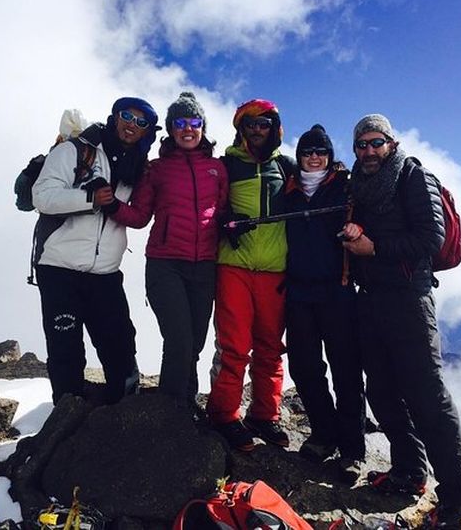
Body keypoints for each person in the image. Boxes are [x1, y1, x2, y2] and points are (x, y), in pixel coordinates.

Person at [342, 114, 461, 527]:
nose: (368, 151)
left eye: (375, 142)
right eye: (361, 144)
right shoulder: (359, 183)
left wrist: (373, 247)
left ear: (391, 142)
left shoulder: (413, 177)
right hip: (371, 300)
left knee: (426, 394)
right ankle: (409, 471)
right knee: (382, 393)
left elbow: (430, 239)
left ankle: (459, 493)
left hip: (409, 299)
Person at [102, 92, 228, 414]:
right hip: (166, 265)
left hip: (205, 267)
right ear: (171, 129)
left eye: (194, 122)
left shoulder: (217, 169)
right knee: (180, 341)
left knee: (194, 345)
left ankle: (184, 404)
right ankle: (169, 415)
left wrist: (231, 224)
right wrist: (113, 206)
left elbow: (224, 212)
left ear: (202, 126)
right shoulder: (156, 169)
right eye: (180, 123)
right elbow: (141, 216)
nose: (188, 129)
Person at [31, 97, 160, 406]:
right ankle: (66, 415)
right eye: (127, 116)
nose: (132, 124)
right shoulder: (74, 151)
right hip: (59, 267)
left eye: (141, 122)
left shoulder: (138, 167)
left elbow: (138, 215)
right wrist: (89, 198)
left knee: (120, 343)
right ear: (114, 117)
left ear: (147, 132)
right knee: (65, 347)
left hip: (105, 273)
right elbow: (42, 197)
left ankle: (126, 411)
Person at [207, 98, 294, 451]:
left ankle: (264, 414)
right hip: (234, 267)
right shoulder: (225, 166)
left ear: (275, 129)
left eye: (265, 123)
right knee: (234, 347)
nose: (258, 130)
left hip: (275, 269)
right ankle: (224, 415)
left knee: (271, 348)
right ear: (240, 128)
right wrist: (224, 221)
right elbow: (209, 207)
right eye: (251, 123)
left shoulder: (287, 168)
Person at [284, 124, 365, 483]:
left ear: (330, 157)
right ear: (299, 156)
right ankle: (323, 433)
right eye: (307, 152)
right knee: (304, 367)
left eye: (321, 152)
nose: (314, 157)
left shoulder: (346, 189)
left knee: (345, 369)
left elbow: (365, 219)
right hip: (298, 293)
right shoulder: (288, 192)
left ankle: (352, 450)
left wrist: (358, 230)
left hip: (338, 291)